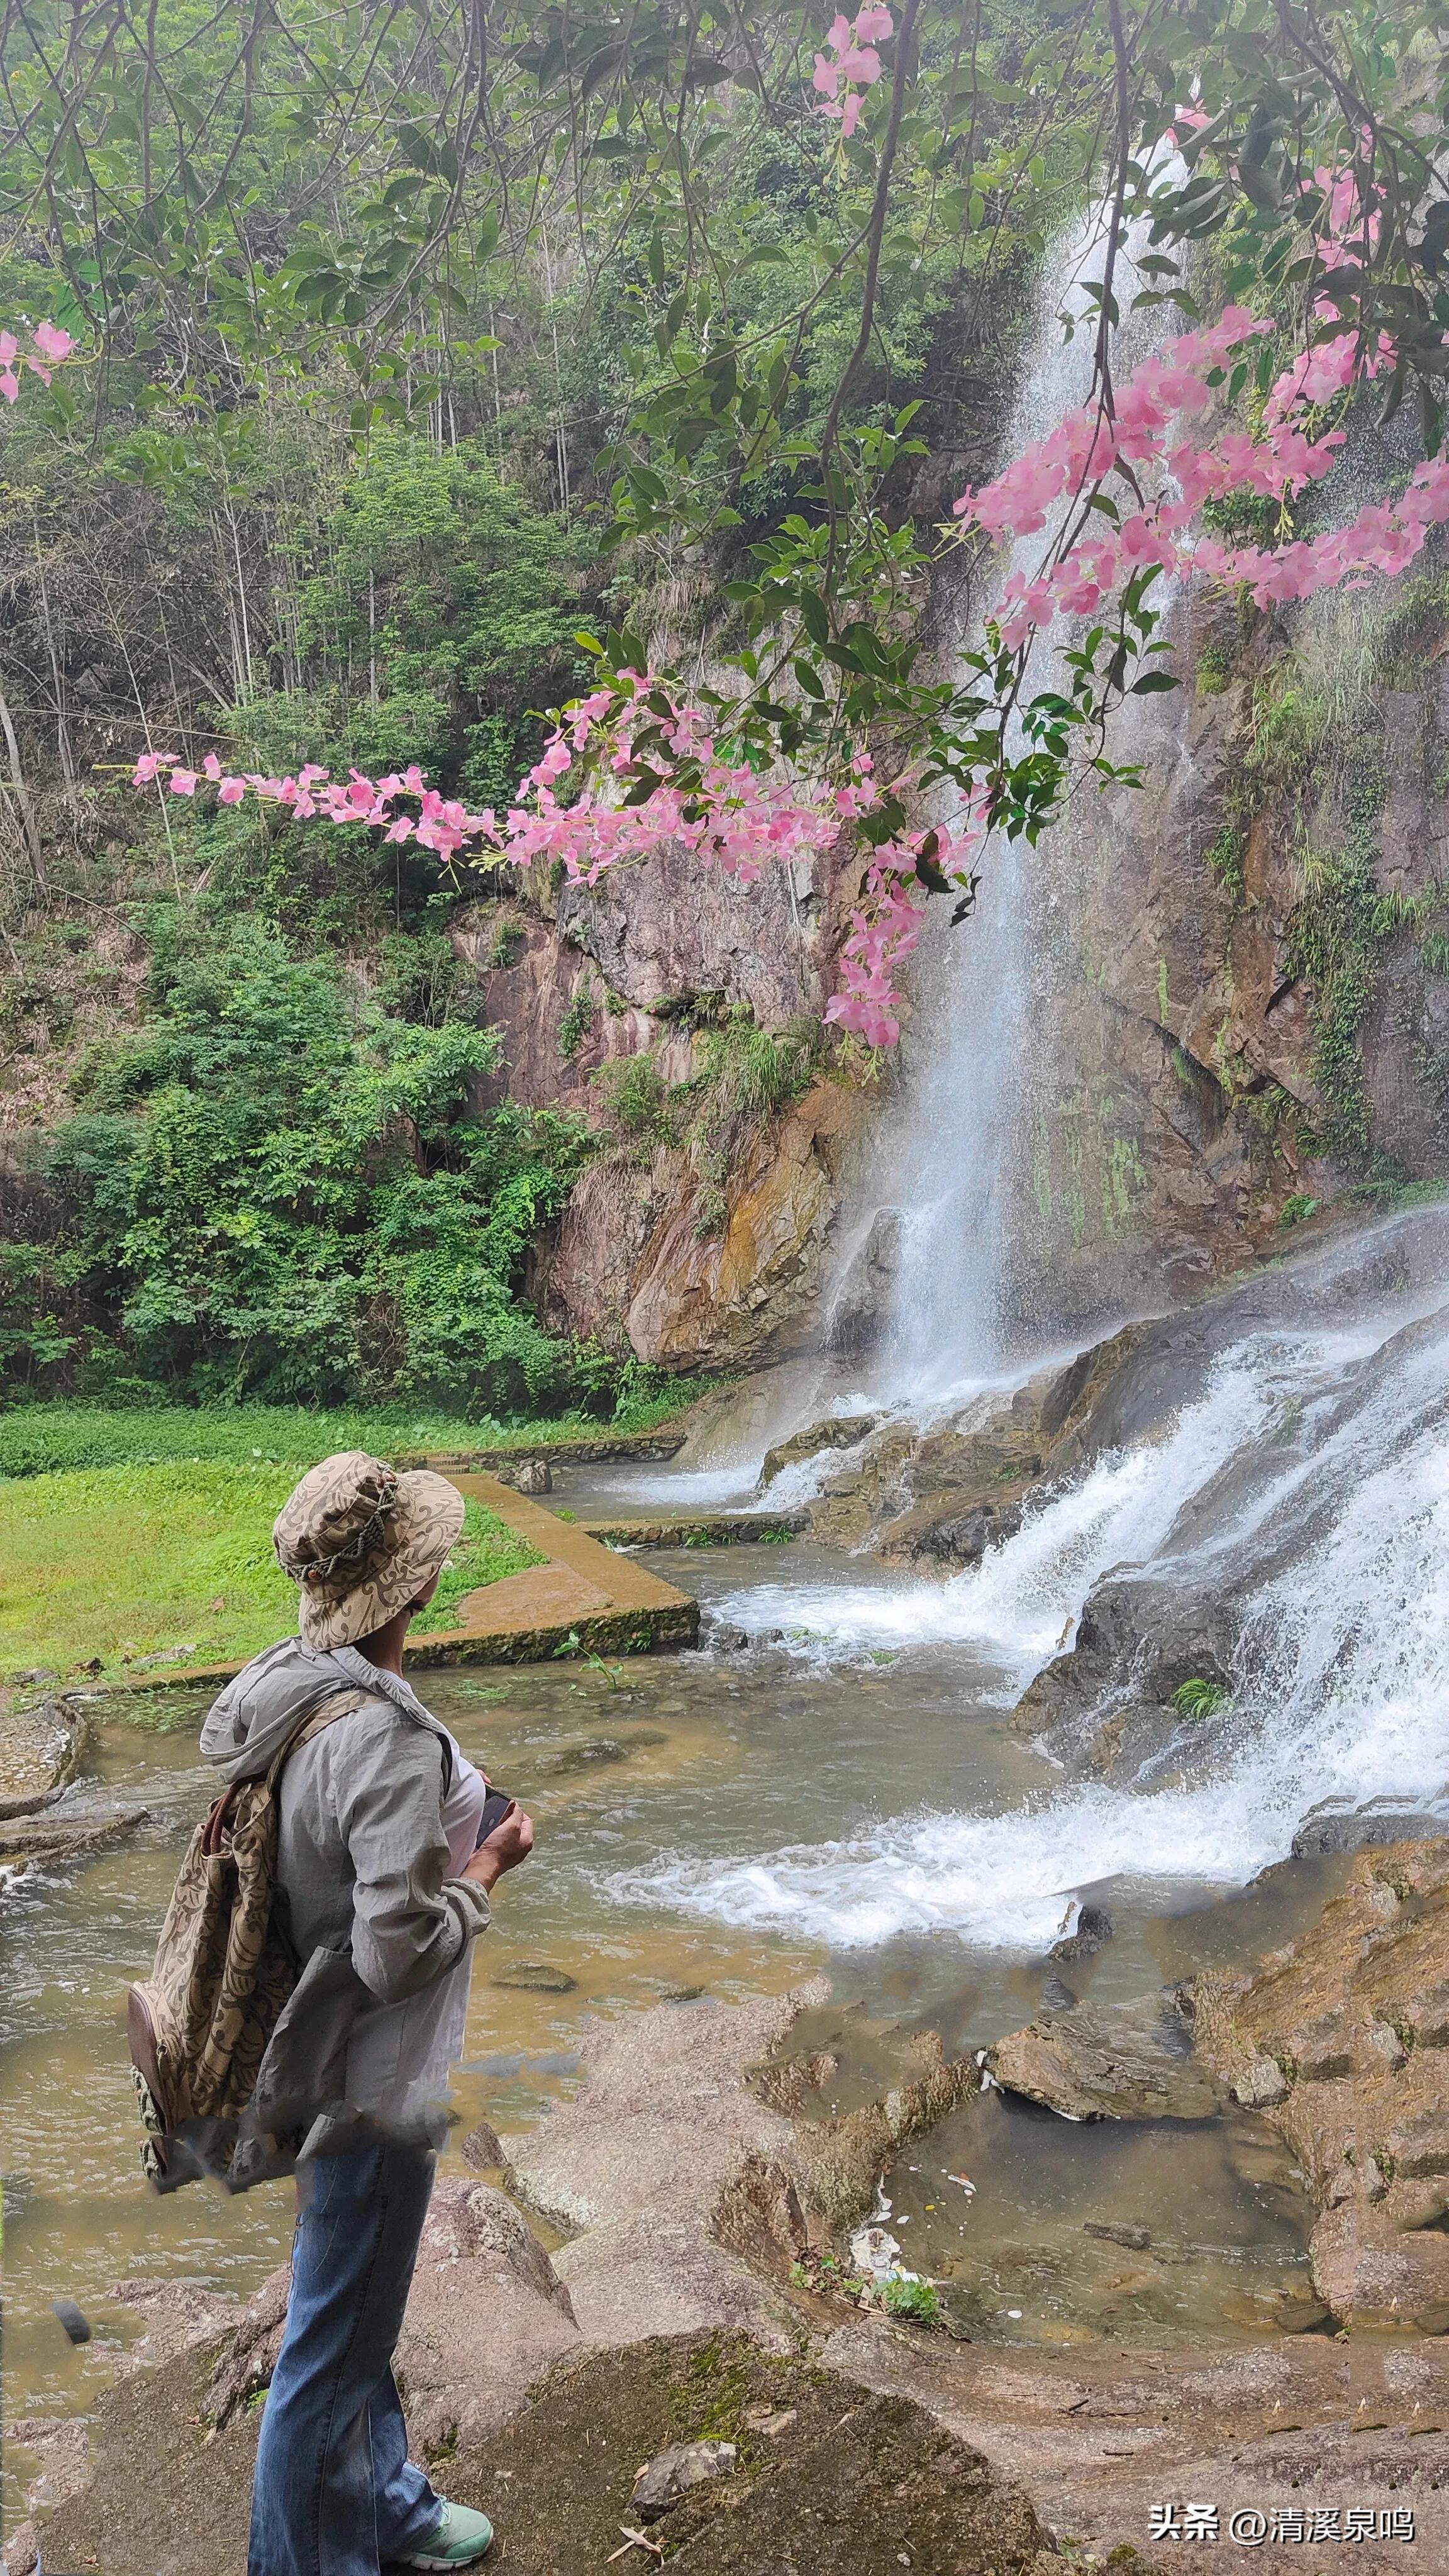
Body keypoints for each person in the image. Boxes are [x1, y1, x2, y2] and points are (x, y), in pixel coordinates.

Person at [198, 1451, 534, 2575]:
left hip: (308, 2048)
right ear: (418, 1584)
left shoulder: (292, 1682)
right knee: (328, 2355)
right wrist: (486, 1867)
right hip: (373, 2084)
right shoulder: (385, 1738)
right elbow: (397, 1954)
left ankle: (385, 2505)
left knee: (354, 2318)